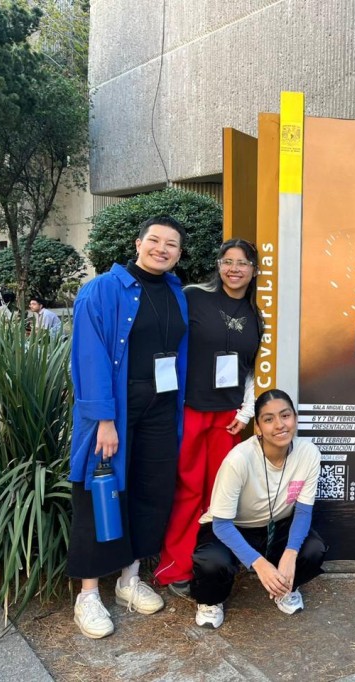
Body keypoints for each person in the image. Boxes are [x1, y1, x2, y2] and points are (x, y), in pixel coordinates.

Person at [68, 216, 189, 639]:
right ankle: (87, 595)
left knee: (149, 492)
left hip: (161, 408)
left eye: (171, 244)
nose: (162, 248)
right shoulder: (102, 289)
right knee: (100, 493)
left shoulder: (176, 292)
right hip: (116, 410)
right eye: (154, 240)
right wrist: (104, 419)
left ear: (178, 253)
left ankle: (128, 580)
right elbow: (89, 356)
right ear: (138, 244)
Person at [155, 239, 262, 596]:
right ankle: (175, 568)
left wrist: (247, 412)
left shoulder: (256, 313)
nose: (234, 269)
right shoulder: (193, 296)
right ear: (218, 265)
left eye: (242, 263)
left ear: (254, 269)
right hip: (189, 410)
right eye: (227, 261)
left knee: (222, 495)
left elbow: (252, 370)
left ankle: (214, 564)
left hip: (229, 418)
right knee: (187, 491)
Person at [190, 389, 328, 629]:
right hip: (232, 528)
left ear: (294, 418)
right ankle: (211, 601)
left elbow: (304, 512)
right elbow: (221, 524)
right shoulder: (239, 459)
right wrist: (259, 564)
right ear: (257, 428)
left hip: (276, 526)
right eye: (268, 419)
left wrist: (290, 553)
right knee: (212, 562)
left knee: (313, 549)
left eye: (285, 416)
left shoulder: (308, 453)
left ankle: (285, 587)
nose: (279, 425)